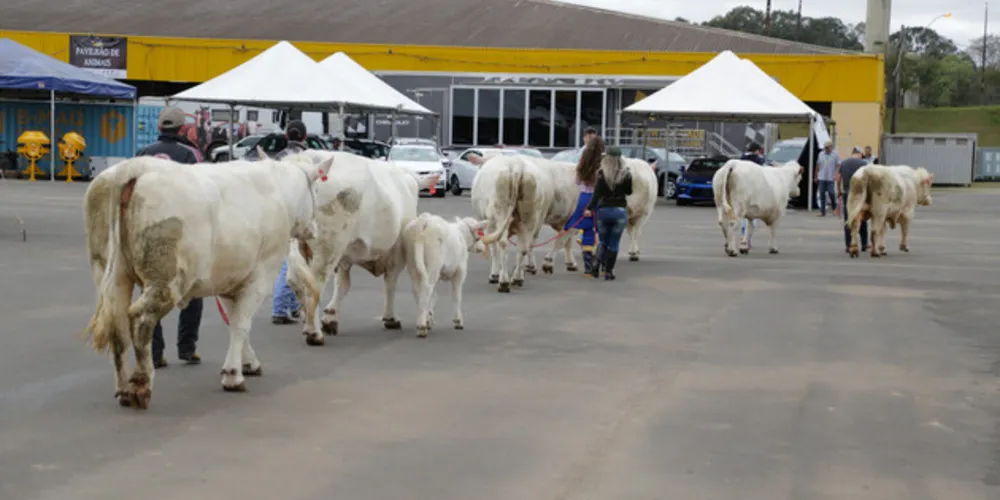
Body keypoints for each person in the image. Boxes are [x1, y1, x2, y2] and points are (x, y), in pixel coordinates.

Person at [135, 107, 203, 369]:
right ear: (182, 128)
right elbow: (200, 192)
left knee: (151, 291)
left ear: (159, 128)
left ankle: (155, 353)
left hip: (148, 229)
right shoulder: (190, 154)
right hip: (181, 230)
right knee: (191, 289)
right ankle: (187, 347)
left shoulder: (142, 154)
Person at [271, 120, 309, 324]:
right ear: (305, 136)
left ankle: (294, 306)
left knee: (292, 262)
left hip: (279, 214)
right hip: (299, 216)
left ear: (286, 136)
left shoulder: (279, 158)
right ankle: (279, 308)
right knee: (292, 264)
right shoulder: (307, 158)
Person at [586, 146, 632, 281]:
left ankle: (595, 265)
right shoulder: (626, 174)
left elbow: (596, 194)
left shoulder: (601, 174)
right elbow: (629, 192)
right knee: (614, 244)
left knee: (603, 241)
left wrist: (589, 208)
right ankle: (608, 272)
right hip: (619, 211)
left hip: (603, 211)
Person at [565, 136, 603, 277]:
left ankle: (588, 268)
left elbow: (577, 182)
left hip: (584, 198)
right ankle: (601, 266)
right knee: (603, 232)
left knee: (587, 232)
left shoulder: (583, 163)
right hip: (599, 199)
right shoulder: (603, 163)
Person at [836, 146, 870, 253]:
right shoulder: (864, 164)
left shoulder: (844, 163)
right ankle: (864, 244)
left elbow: (838, 179)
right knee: (862, 219)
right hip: (860, 195)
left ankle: (848, 244)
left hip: (847, 194)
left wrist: (839, 192)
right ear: (859, 153)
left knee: (848, 219)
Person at [739, 143, 766, 247]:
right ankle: (748, 239)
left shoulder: (742, 157)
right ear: (756, 150)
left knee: (743, 215)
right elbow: (764, 167)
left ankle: (743, 237)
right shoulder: (758, 158)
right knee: (752, 217)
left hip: (742, 189)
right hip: (755, 190)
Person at [814, 140, 840, 217]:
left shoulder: (835, 154)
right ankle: (822, 212)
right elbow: (818, 165)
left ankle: (834, 207)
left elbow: (838, 165)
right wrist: (816, 176)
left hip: (830, 177)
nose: (826, 149)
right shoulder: (821, 154)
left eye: (828, 148)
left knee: (831, 193)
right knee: (822, 194)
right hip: (822, 176)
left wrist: (836, 174)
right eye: (825, 148)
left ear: (831, 147)